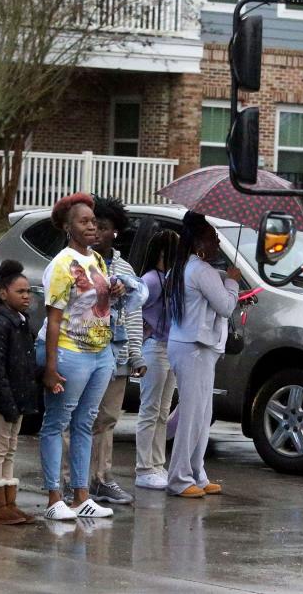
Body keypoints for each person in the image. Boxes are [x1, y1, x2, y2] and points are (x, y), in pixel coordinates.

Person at [36, 193, 122, 520]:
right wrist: (51, 366)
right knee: (56, 423)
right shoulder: (60, 265)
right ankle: (54, 497)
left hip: (99, 353)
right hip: (70, 353)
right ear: (68, 227)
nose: (92, 227)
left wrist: (114, 292)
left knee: (85, 423)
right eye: (84, 222)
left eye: (94, 222)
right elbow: (55, 318)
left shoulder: (97, 261)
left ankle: (81, 496)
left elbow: (97, 307)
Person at [165, 212, 240, 498]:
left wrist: (224, 278)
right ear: (199, 242)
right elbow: (225, 307)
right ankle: (179, 478)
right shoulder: (201, 270)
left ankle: (197, 471)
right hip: (194, 348)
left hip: (192, 346)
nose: (218, 242)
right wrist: (232, 282)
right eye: (212, 237)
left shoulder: (184, 267)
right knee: (193, 415)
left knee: (202, 412)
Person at [87, 195, 147, 505]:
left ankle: (102, 478)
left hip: (117, 354)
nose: (96, 231)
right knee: (79, 417)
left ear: (115, 231)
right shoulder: (78, 261)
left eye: (104, 226)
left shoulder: (125, 267)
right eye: (92, 224)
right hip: (85, 352)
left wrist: (135, 354)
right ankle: (73, 481)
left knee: (108, 418)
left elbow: (134, 314)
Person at [0, 260, 39, 525]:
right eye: (20, 292)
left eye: (28, 292)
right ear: (3, 293)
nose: (26, 296)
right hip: (3, 400)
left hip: (17, 398)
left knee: (10, 448)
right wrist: (7, 402)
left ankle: (8, 502)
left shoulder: (21, 322)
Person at [135, 229, 179, 490]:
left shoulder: (170, 279)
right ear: (163, 253)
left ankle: (157, 464)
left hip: (170, 348)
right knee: (150, 410)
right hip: (154, 348)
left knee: (163, 412)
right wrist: (142, 333)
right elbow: (133, 307)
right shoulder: (151, 280)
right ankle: (143, 468)